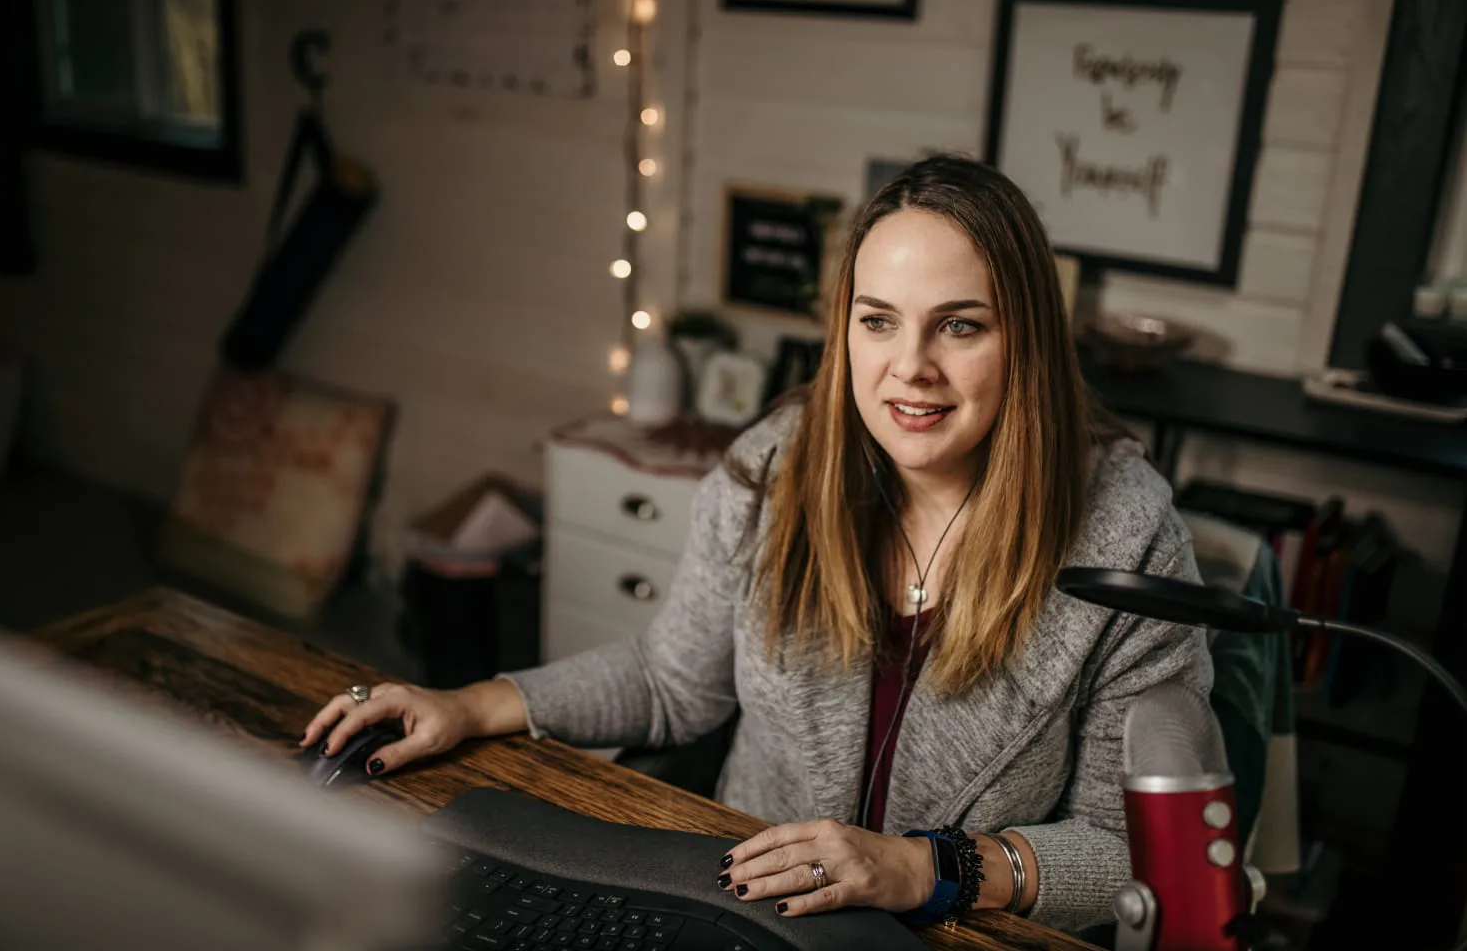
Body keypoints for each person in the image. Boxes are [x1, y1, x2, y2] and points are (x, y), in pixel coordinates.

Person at [301, 154, 1213, 937]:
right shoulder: (771, 473)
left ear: (1028, 342)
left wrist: (927, 869)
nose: (911, 367)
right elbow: (671, 683)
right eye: (879, 319)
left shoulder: (1129, 539)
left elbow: (1126, 847)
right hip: (745, 911)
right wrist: (468, 706)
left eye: (961, 325)